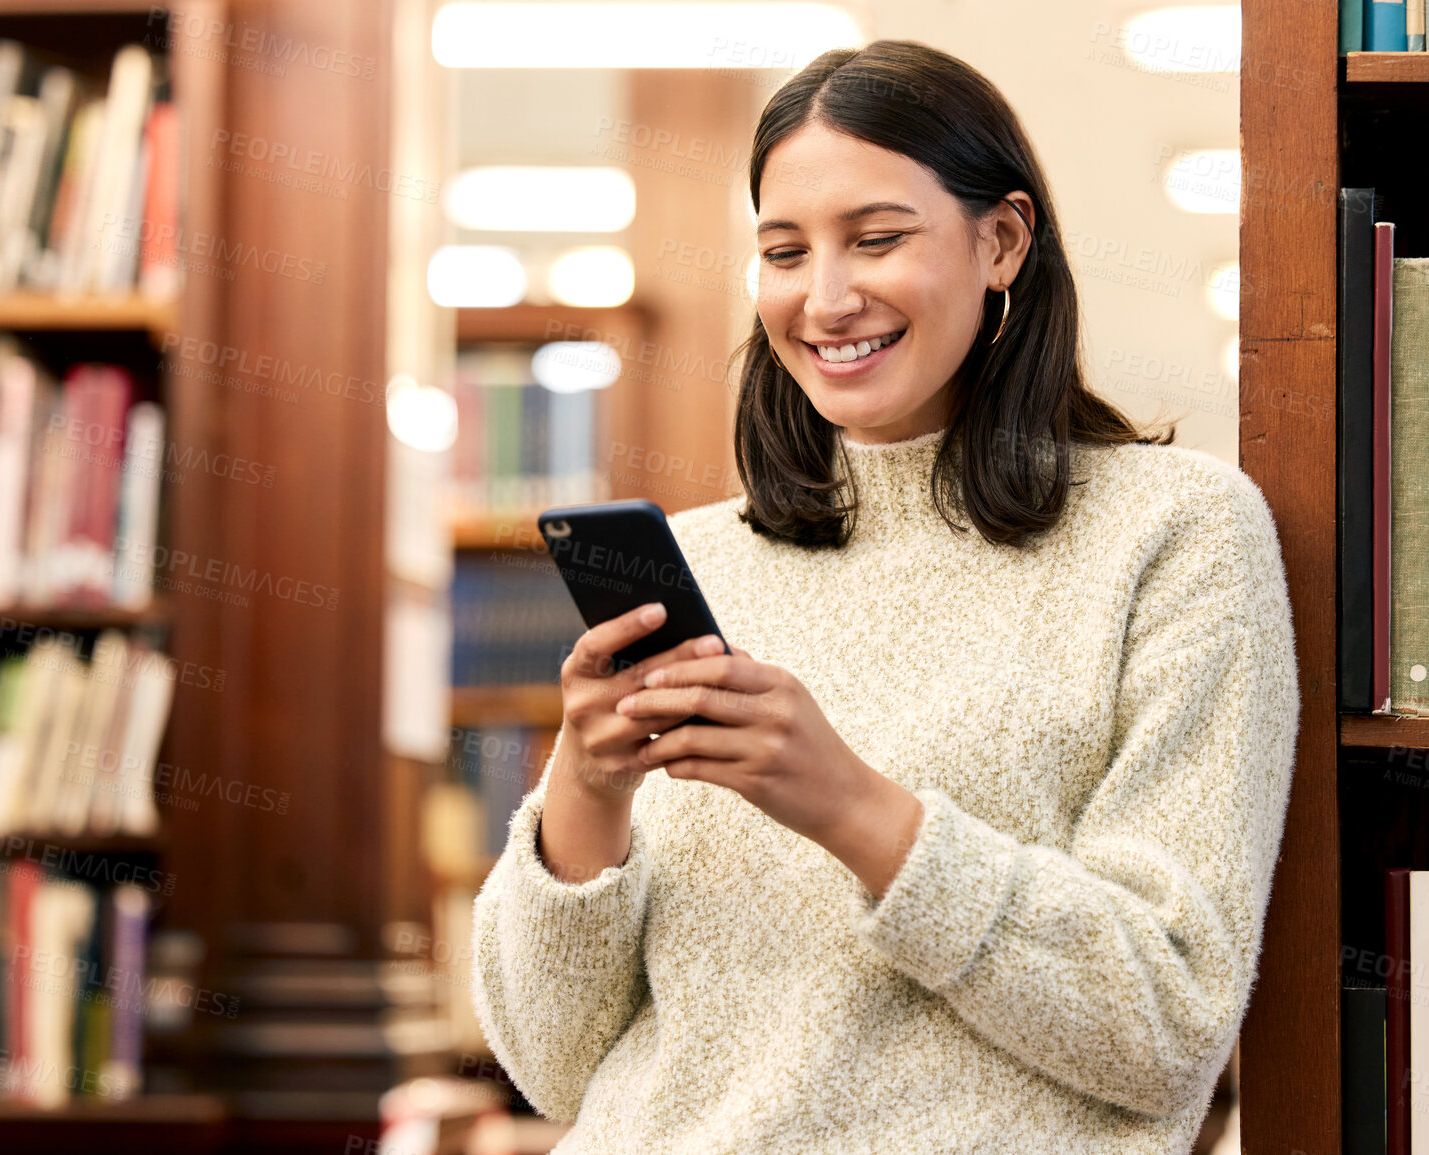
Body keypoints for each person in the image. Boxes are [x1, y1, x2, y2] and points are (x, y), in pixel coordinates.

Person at [470, 38, 1297, 1155]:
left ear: (1002, 240)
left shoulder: (1178, 532)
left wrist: (852, 808)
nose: (826, 297)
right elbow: (554, 1064)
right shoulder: (701, 560)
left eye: (877, 239)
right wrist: (588, 792)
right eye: (783, 250)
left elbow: (1165, 1027)